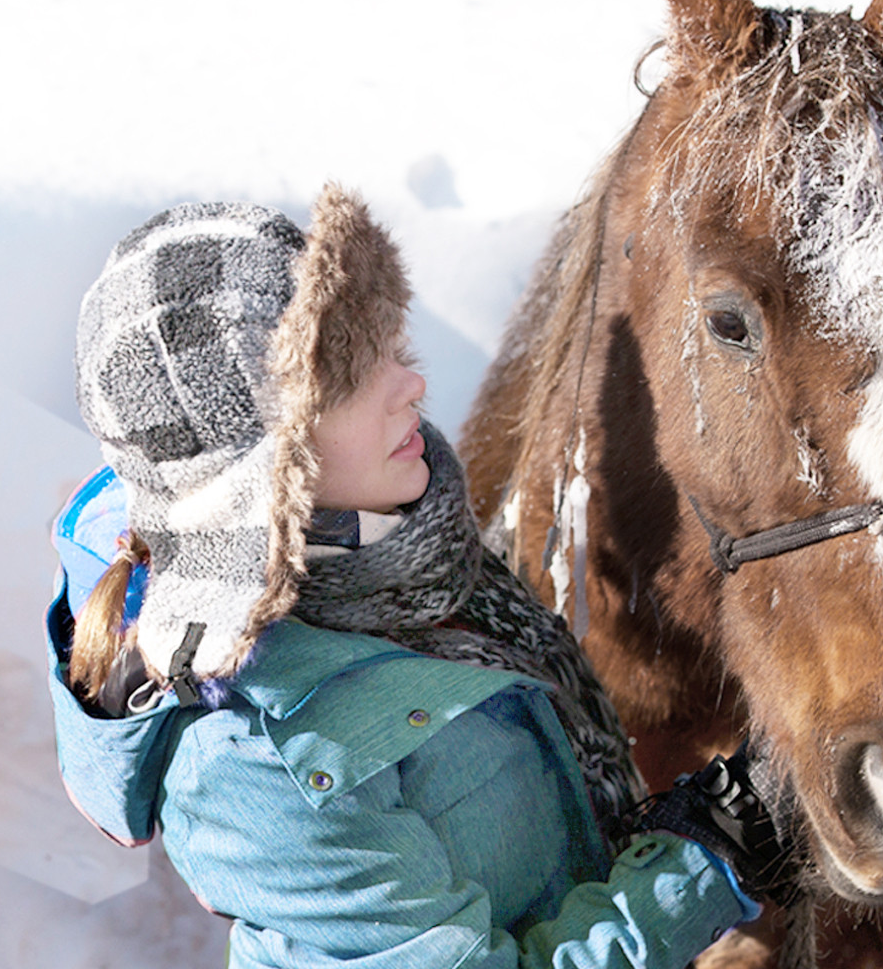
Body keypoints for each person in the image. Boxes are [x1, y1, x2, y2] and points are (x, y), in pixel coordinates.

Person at [44, 187, 795, 968]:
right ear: (258, 469)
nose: (411, 384)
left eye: (390, 346)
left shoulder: (394, 563)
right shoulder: (249, 760)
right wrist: (708, 859)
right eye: (349, 375)